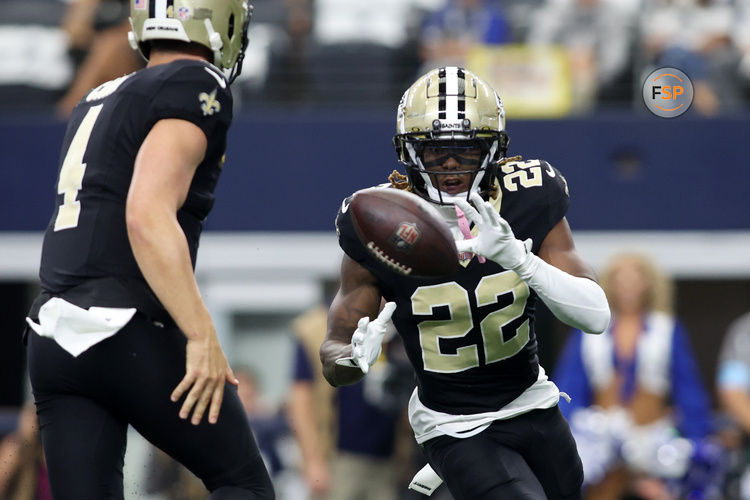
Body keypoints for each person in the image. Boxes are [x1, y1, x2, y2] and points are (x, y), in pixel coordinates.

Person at [321, 66, 611, 499]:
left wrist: (521, 260)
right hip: (453, 422)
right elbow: (334, 350)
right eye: (437, 152)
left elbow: (596, 316)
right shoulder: (377, 222)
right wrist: (353, 358)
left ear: (494, 150)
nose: (451, 165)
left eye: (466, 151)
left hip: (531, 401)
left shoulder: (529, 197)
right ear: (409, 152)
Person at [22, 1, 275, 498]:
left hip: (54, 336)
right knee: (243, 483)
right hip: (124, 326)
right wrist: (200, 332)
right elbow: (146, 214)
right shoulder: (196, 80)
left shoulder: (97, 95)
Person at [554, 253, 714, 500]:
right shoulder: (587, 329)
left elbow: (688, 390)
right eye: (621, 277)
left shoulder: (667, 329)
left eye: (636, 277)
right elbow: (569, 390)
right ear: (610, 283)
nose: (628, 284)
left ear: (649, 283)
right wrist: (570, 438)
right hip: (601, 444)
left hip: (654, 439)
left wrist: (694, 437)